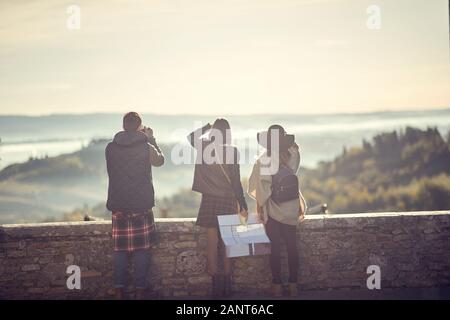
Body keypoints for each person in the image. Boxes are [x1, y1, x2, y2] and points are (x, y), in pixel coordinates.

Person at [105, 112, 165, 300]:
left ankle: (119, 290)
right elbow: (160, 161)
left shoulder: (110, 148)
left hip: (119, 204)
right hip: (142, 205)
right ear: (139, 127)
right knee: (142, 250)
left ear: (123, 126)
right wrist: (151, 138)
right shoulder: (146, 147)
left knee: (120, 250)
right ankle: (140, 291)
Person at [187, 118, 248, 298]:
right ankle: (228, 285)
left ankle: (216, 285)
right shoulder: (233, 151)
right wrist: (242, 203)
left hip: (209, 200)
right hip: (228, 200)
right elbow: (236, 181)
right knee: (228, 243)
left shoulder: (204, 147)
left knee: (212, 243)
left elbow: (190, 137)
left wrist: (206, 127)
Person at [248, 125, 306, 297]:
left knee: (274, 248)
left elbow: (260, 189)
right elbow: (295, 157)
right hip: (291, 208)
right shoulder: (292, 156)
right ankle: (294, 285)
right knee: (291, 247)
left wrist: (259, 209)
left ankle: (277, 286)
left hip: (273, 210)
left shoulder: (264, 160)